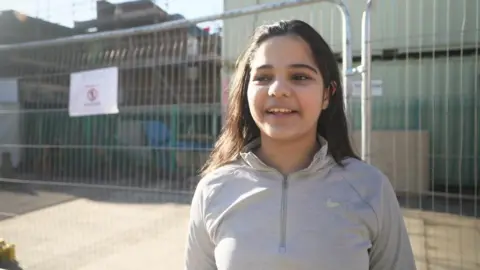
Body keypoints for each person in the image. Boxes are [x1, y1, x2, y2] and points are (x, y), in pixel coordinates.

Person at [184, 19, 416, 270]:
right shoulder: (213, 190)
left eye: (299, 76)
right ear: (246, 91)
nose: (278, 89)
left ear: (327, 94)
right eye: (263, 77)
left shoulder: (370, 188)